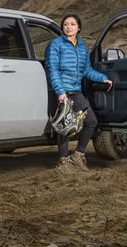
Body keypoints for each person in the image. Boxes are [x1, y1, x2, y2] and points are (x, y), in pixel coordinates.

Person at [45, 14, 112, 173]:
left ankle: (78, 155)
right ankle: (63, 161)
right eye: (66, 24)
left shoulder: (82, 46)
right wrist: (60, 91)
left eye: (72, 24)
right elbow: (52, 69)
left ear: (78, 28)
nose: (68, 27)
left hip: (76, 91)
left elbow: (86, 70)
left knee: (91, 121)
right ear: (62, 28)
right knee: (65, 126)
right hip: (61, 91)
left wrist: (103, 78)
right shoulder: (56, 44)